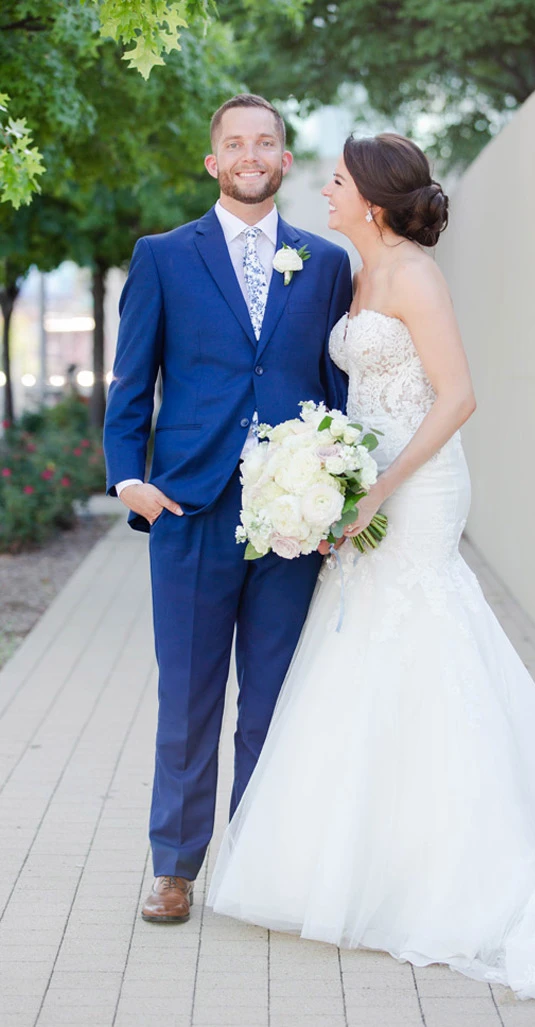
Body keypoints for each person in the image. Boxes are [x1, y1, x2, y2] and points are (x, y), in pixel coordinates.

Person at [208, 132, 535, 1025]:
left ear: (375, 202)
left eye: (338, 181)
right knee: (359, 648)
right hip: (364, 482)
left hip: (419, 489)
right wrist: (326, 470)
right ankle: (368, 859)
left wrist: (378, 484)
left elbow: (457, 394)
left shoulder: (417, 276)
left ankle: (450, 868)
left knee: (420, 639)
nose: (325, 188)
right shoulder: (355, 270)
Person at [103, 94, 351, 924]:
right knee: (189, 696)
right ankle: (173, 867)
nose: (251, 154)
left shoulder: (325, 264)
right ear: (212, 161)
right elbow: (131, 382)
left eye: (267, 142)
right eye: (235, 143)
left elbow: (336, 392)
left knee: (275, 698)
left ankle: (257, 859)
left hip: (294, 515)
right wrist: (126, 480)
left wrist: (338, 496)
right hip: (190, 507)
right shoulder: (163, 257)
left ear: (285, 160)